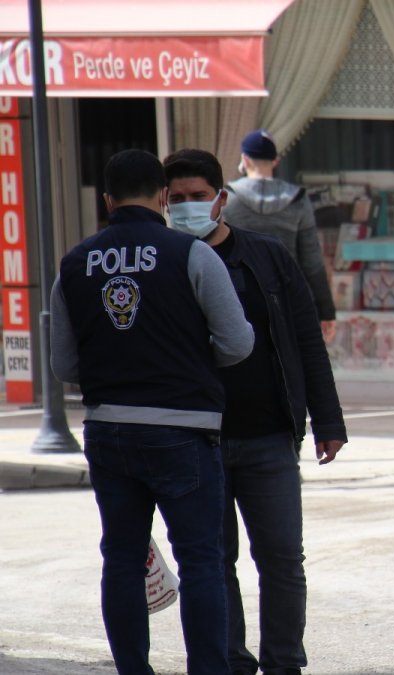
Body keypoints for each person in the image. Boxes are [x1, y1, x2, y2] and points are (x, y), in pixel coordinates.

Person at [50, 148, 254, 675]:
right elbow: (237, 343)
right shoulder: (192, 255)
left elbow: (64, 363)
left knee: (121, 558)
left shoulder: (76, 264)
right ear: (163, 197)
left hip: (110, 432)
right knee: (201, 560)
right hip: (183, 432)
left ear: (107, 199)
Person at [164, 148, 348, 675]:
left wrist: (327, 421)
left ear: (222, 198)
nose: (188, 207)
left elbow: (307, 342)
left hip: (269, 435)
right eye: (177, 200)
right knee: (212, 564)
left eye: (198, 197)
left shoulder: (267, 257)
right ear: (163, 203)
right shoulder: (168, 261)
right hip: (200, 441)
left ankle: (284, 664)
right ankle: (232, 663)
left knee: (283, 562)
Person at [222, 129, 337, 342]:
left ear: (245, 160)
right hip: (288, 301)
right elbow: (312, 263)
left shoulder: (227, 199)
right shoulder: (298, 200)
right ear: (276, 161)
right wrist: (326, 311)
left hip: (239, 301)